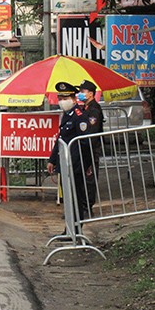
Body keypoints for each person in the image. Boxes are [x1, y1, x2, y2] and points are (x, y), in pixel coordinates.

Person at [47, 81, 92, 226]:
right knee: (67, 197)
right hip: (65, 163)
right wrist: (52, 160)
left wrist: (87, 164)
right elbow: (61, 138)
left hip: (76, 164)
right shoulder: (67, 115)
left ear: (73, 99)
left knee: (76, 197)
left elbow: (85, 143)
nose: (62, 101)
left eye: (65, 98)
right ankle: (69, 229)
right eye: (60, 98)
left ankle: (77, 229)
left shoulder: (79, 116)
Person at [78, 79, 103, 212]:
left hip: (91, 149)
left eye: (83, 91)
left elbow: (91, 132)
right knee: (82, 178)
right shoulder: (84, 108)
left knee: (89, 178)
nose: (80, 94)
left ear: (91, 94)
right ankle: (81, 205)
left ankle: (87, 206)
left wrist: (87, 150)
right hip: (83, 149)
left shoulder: (94, 109)